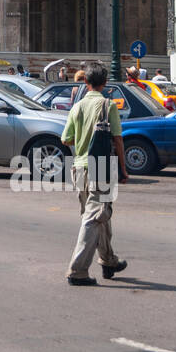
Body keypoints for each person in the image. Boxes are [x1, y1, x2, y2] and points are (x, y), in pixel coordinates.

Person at [61, 61, 129, 286]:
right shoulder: (108, 106)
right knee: (94, 216)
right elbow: (118, 139)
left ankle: (108, 260)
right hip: (100, 166)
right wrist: (123, 168)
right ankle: (77, 271)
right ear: (105, 83)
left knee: (99, 214)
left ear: (86, 83)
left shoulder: (77, 107)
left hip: (79, 167)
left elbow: (65, 139)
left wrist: (83, 139)